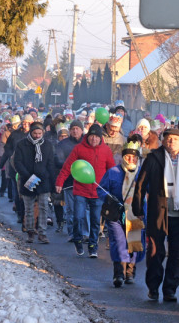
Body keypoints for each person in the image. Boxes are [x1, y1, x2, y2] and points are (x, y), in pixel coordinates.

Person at [132, 127, 179, 302]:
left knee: (176, 253)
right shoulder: (154, 158)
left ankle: (170, 289)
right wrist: (138, 209)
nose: (171, 141)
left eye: (175, 139)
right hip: (158, 213)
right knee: (155, 251)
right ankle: (153, 287)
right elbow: (141, 184)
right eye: (168, 138)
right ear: (163, 140)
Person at [55, 123, 115, 258]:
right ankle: (78, 239)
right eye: (91, 136)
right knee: (78, 217)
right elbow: (67, 167)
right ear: (87, 136)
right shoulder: (79, 149)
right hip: (81, 190)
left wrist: (114, 188)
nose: (94, 139)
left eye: (96, 137)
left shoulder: (106, 150)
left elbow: (111, 171)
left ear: (100, 138)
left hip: (98, 192)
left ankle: (93, 246)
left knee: (95, 221)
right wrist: (60, 182)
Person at [99, 140, 145, 287]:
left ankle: (130, 272)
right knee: (118, 243)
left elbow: (152, 191)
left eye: (134, 157)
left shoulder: (142, 174)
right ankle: (118, 273)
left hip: (136, 213)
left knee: (134, 242)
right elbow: (100, 189)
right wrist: (108, 197)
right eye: (128, 157)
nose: (131, 160)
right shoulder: (113, 172)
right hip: (116, 214)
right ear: (123, 157)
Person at [14, 121, 56, 243]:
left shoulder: (47, 145)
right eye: (35, 133)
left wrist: (50, 179)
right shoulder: (22, 144)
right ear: (31, 132)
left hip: (43, 181)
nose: (37, 136)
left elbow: (50, 164)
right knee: (29, 208)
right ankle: (30, 231)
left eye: (39, 133)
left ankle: (42, 233)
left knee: (43, 207)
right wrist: (27, 175)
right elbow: (18, 162)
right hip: (28, 180)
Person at [56, 121, 84, 237]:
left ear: (82, 130)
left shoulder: (87, 142)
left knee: (83, 210)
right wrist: (72, 166)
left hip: (84, 182)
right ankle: (72, 233)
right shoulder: (63, 144)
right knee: (70, 210)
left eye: (77, 128)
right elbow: (57, 160)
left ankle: (82, 232)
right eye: (73, 128)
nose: (75, 131)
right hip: (69, 181)